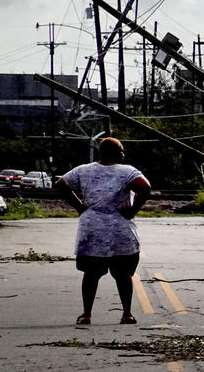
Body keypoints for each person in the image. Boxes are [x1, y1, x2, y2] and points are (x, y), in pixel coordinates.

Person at [56, 137, 151, 326]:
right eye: (122, 150)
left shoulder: (83, 170)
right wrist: (132, 211)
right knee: (124, 274)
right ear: (116, 153)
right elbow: (145, 188)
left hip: (92, 230)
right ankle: (127, 314)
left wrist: (79, 206)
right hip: (120, 231)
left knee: (91, 274)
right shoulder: (127, 172)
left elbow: (61, 184)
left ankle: (86, 314)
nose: (124, 154)